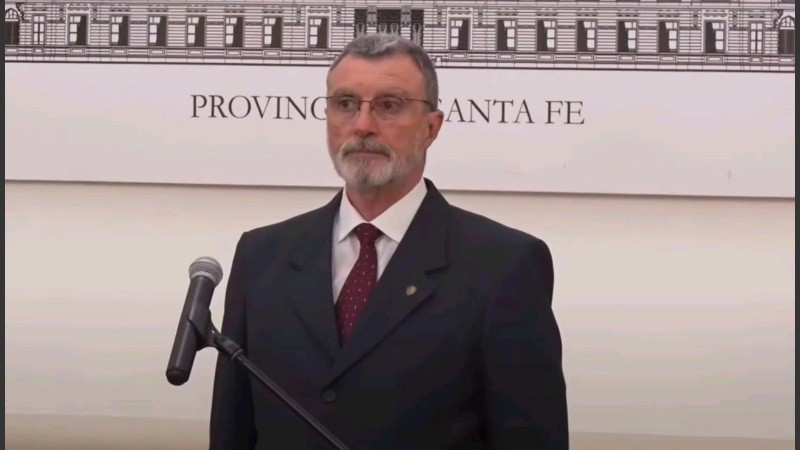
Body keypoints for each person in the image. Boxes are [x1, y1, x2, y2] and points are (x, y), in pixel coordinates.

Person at [210, 33, 568, 450]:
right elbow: (233, 430)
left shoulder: (504, 266)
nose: (362, 125)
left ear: (431, 127)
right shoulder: (261, 257)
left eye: (389, 106)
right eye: (346, 104)